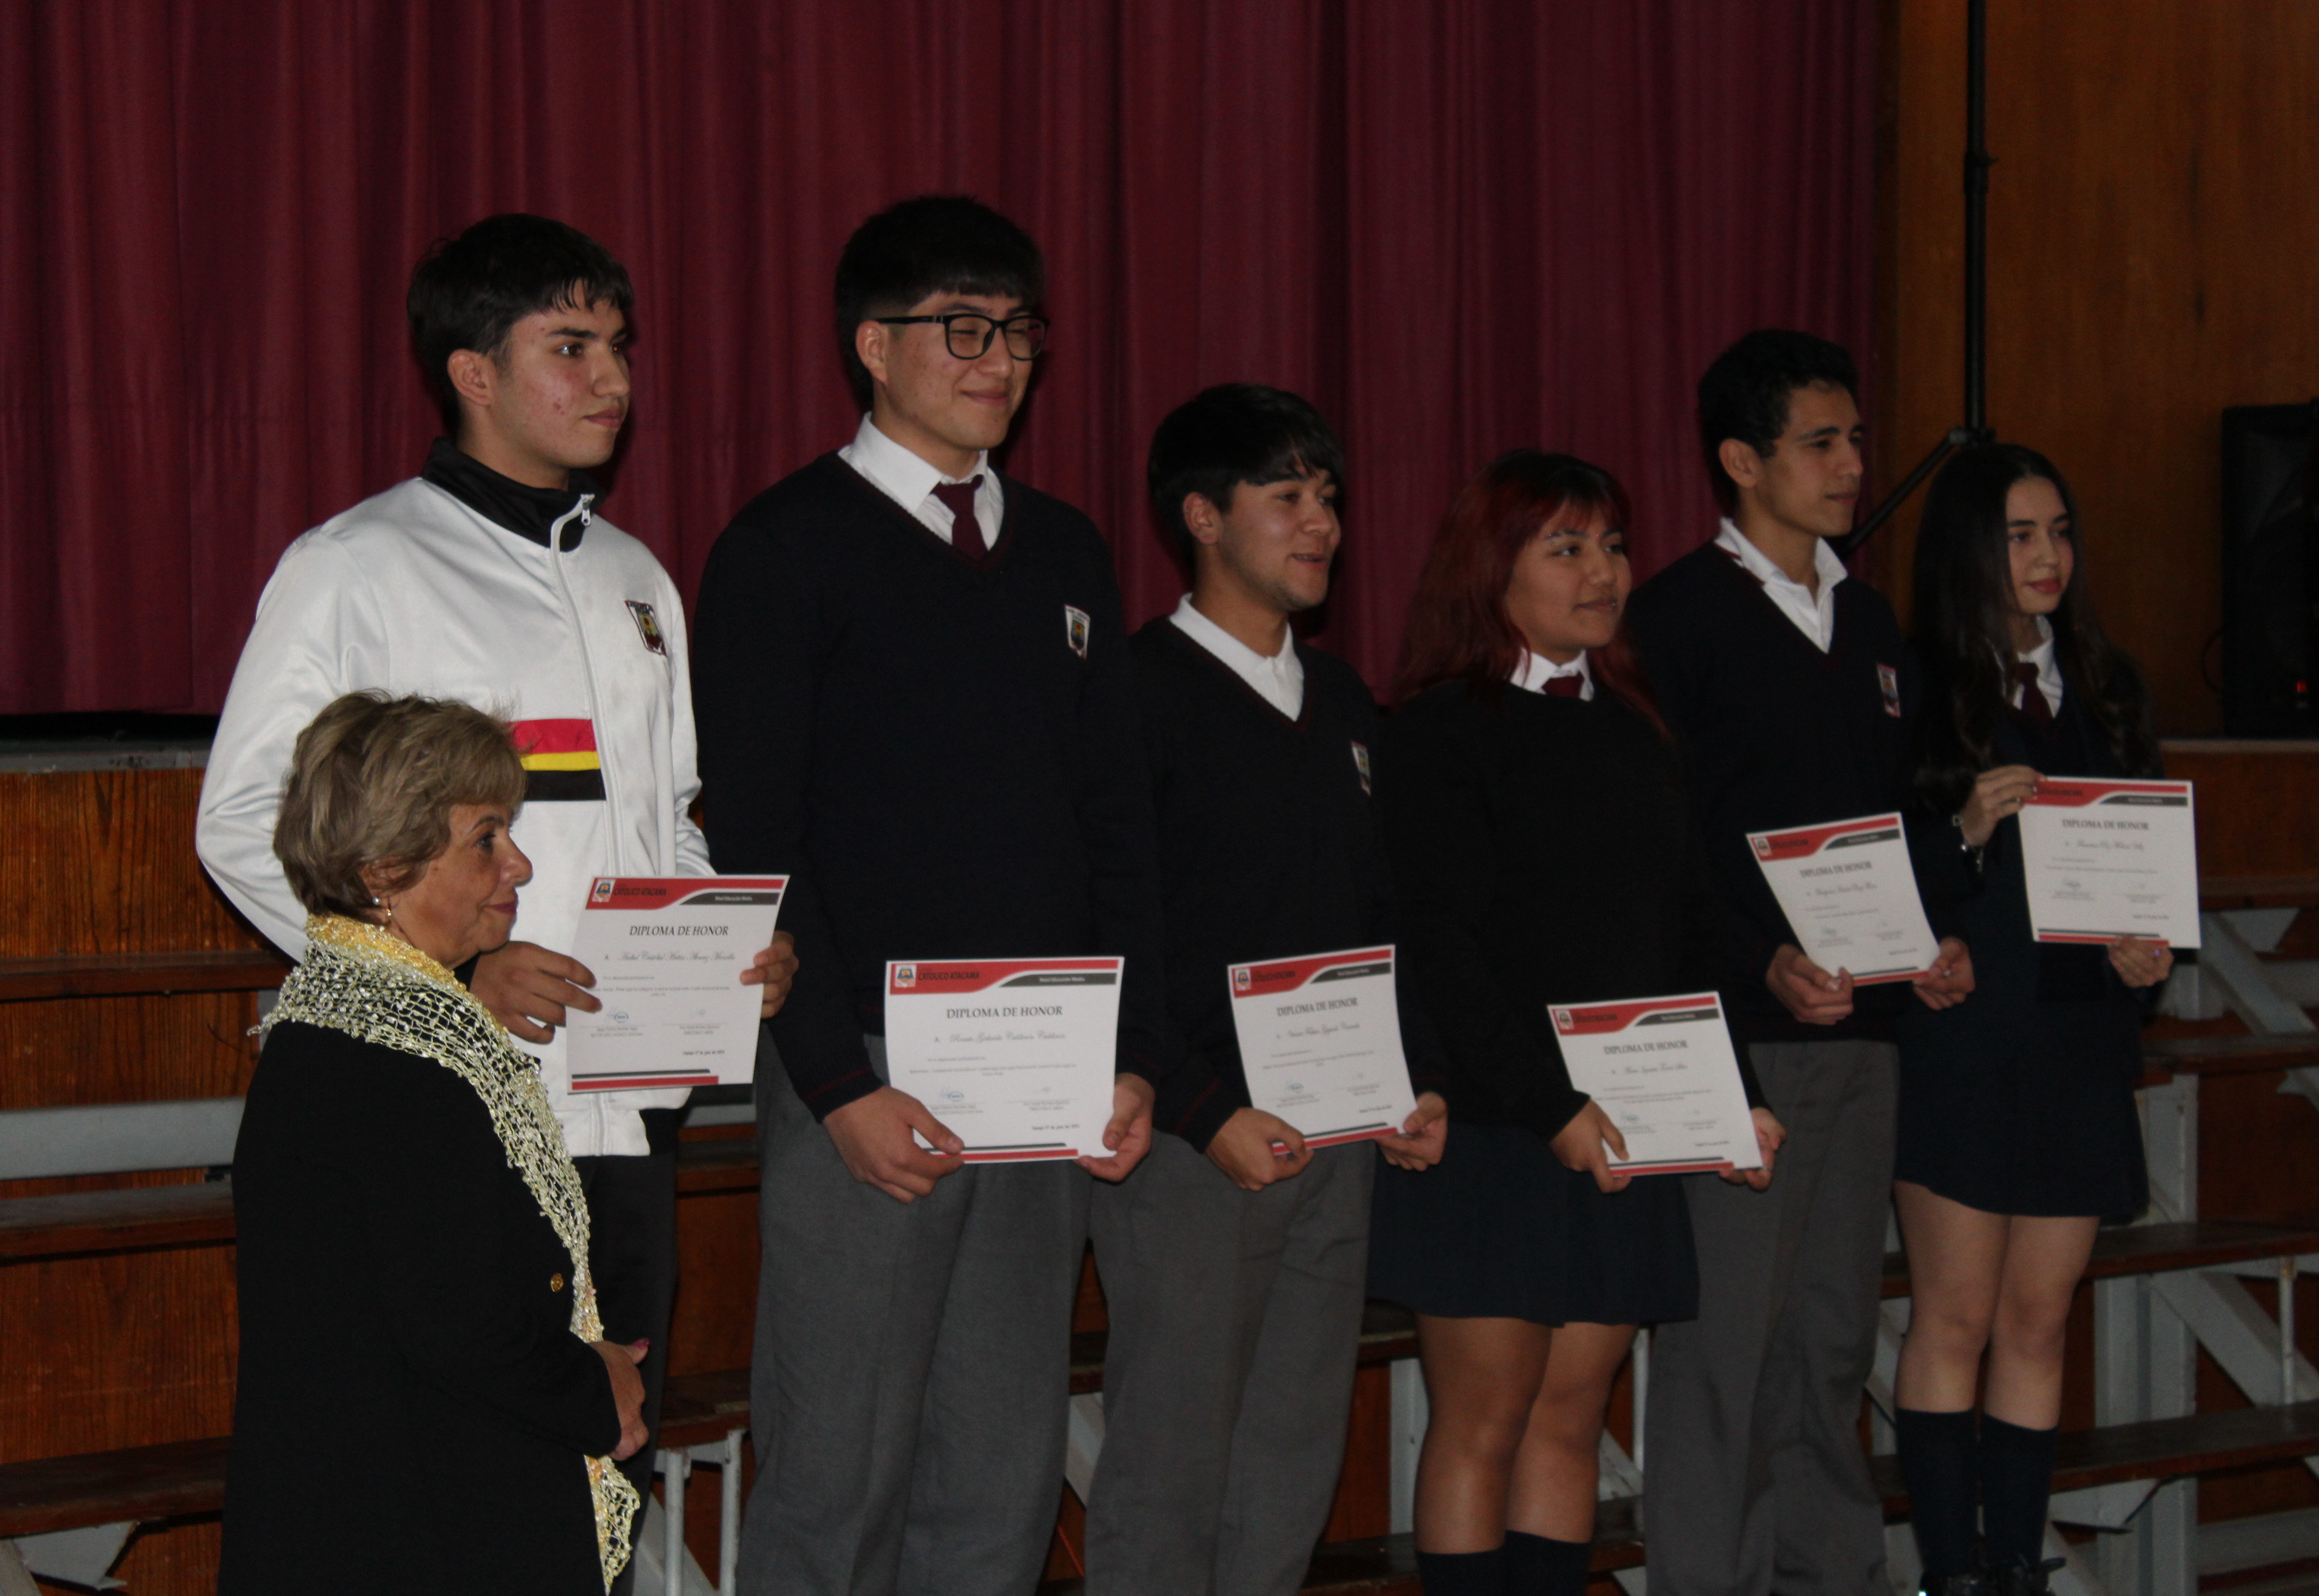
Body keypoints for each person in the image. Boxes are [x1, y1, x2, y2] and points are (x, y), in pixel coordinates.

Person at [194, 214, 794, 1566]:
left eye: (620, 347)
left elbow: (667, 818)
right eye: (570, 348)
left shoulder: (638, 579)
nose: (613, 379)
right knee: (465, 1487)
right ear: (472, 372)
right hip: (453, 1122)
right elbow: (242, 821)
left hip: (628, 1109)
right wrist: (452, 981)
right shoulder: (354, 566)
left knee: (605, 1470)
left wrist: (729, 943)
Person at [692, 193, 1170, 1596]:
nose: (999, 359)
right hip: (868, 1072)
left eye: (1018, 330)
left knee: (1001, 1474)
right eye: (963, 329)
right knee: (838, 1473)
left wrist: (1132, 1054)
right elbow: (757, 841)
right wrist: (836, 1081)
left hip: (1043, 1068)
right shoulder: (785, 545)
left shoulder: (1068, 548)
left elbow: (1118, 824)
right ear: (872, 345)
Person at [1370, 450, 1785, 1596]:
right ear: (1491, 569)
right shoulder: (1438, 731)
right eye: (1566, 548)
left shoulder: (1640, 730)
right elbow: (1441, 949)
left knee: (1570, 1418)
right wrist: (1549, 1106)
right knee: (1484, 1422)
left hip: (1628, 1122)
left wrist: (1738, 1099)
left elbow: (1694, 939)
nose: (1602, 571)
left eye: (1612, 545)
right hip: (1500, 1130)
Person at [1081, 383, 1450, 1596]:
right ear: (1202, 515)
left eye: (1329, 497)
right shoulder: (1134, 691)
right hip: (1198, 1145)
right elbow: (1114, 930)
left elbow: (1380, 915)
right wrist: (1202, 1111)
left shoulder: (1342, 699)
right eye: (1287, 496)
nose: (1322, 523)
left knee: (1293, 1453)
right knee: (1172, 1463)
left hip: (1340, 1132)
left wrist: (1411, 1080)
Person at [1628, 330, 1974, 1596]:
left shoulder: (1871, 620)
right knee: (1725, 1352)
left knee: (1830, 1342)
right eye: (1819, 443)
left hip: (1866, 1035)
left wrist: (1930, 939)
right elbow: (1666, 840)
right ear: (1741, 460)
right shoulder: (1675, 617)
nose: (1850, 465)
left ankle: (1836, 1580)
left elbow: (1896, 816)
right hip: (1743, 1041)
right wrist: (1758, 960)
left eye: (1856, 440)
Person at [219, 691, 648, 1595]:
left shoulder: (348, 1016)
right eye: (486, 838)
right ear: (386, 870)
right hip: (413, 1536)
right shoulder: (395, 1056)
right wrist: (593, 1391)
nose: (518, 863)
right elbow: (461, 1325)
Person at [1893, 445, 2171, 1596]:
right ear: (1970, 548)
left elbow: (2147, 865)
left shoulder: (2109, 683)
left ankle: (2015, 1568)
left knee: (2040, 1320)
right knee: (1955, 1316)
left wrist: (2145, 958)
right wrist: (1962, 832)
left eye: (2059, 532)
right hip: (1965, 1042)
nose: (2048, 556)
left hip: (2079, 1041)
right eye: (2018, 535)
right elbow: (1880, 880)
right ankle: (1949, 1574)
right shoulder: (1914, 683)